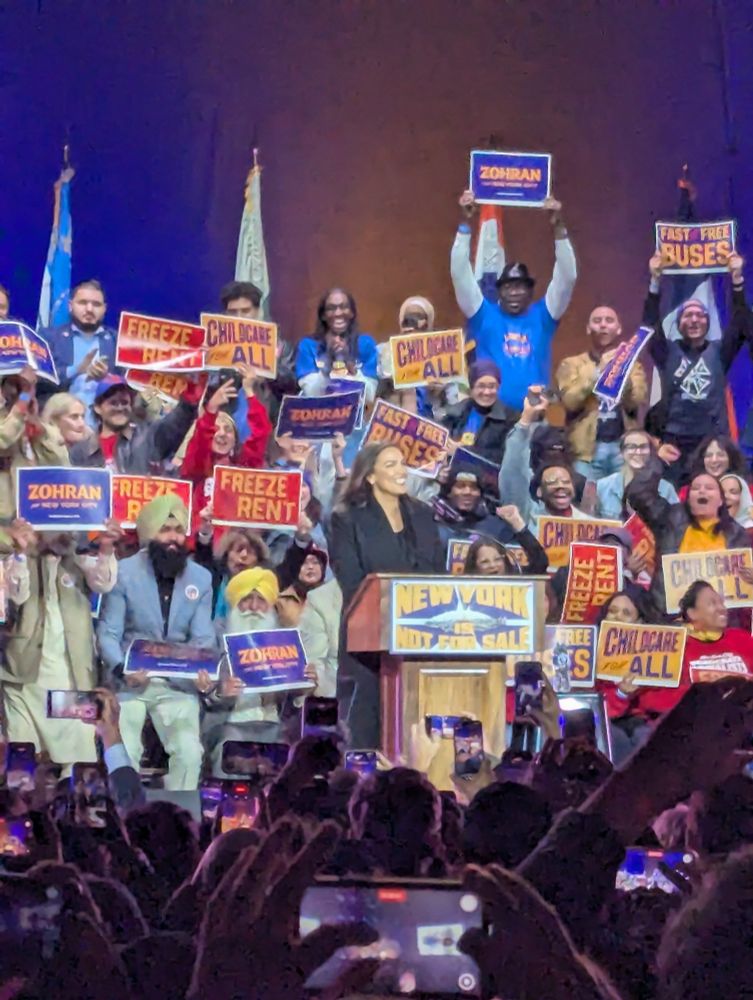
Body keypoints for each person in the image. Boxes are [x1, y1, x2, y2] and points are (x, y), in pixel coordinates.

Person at [330, 442, 444, 745]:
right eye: (390, 464)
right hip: (367, 641)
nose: (401, 471)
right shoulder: (347, 518)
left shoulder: (422, 514)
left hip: (421, 637)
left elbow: (435, 571)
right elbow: (352, 580)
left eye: (401, 463)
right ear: (370, 475)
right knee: (365, 731)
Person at [98, 495, 214, 790]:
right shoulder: (122, 572)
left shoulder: (200, 578)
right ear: (150, 534)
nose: (174, 538)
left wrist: (203, 676)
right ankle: (124, 816)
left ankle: (179, 819)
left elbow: (202, 637)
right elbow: (108, 633)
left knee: (189, 752)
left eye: (178, 530)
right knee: (127, 750)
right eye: (165, 529)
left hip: (177, 683)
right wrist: (122, 670)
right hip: (130, 681)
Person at [1, 517, 119, 770]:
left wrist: (106, 549)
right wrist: (21, 553)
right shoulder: (18, 559)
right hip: (25, 680)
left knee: (75, 766)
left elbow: (104, 582)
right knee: (22, 767)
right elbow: (16, 595)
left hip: (71, 681)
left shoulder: (79, 559)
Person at [451, 190, 577, 409]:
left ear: (530, 292)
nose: (515, 293)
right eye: (508, 287)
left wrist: (558, 227)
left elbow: (568, 277)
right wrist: (465, 223)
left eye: (521, 287)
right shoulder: (483, 314)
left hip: (534, 417)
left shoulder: (544, 316)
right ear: (499, 291)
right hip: (489, 417)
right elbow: (460, 272)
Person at [643, 250, 752, 483]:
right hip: (674, 444)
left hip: (711, 443)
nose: (694, 319)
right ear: (678, 323)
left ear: (708, 322)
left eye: (700, 315)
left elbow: (742, 322)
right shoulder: (667, 351)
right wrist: (655, 281)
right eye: (687, 316)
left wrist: (737, 279)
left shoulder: (720, 352)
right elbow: (649, 327)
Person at [626, 458, 752, 613]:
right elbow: (639, 494)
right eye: (696, 488)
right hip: (670, 619)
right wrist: (657, 461)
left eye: (709, 488)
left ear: (721, 501)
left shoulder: (738, 534)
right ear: (689, 498)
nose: (702, 491)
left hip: (719, 623)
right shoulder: (670, 518)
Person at [556, 305, 648, 480]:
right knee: (586, 504)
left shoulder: (634, 366)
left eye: (609, 320)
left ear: (619, 329)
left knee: (622, 502)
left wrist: (621, 370)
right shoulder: (571, 364)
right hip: (586, 452)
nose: (603, 325)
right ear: (588, 328)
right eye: (597, 321)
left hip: (623, 450)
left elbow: (636, 402)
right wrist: (598, 373)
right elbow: (570, 402)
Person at [180, 366, 272, 534]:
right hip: (200, 544)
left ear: (235, 440)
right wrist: (211, 409)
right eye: (215, 429)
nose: (222, 434)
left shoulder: (245, 466)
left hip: (235, 545)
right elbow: (199, 442)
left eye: (228, 430)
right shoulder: (198, 467)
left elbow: (261, 432)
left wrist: (249, 391)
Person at [70, 373, 202, 474]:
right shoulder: (80, 451)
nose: (120, 407)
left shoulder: (148, 437)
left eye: (124, 402)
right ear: (98, 408)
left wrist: (189, 401)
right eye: (113, 403)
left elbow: (175, 424)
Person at [498, 393, 590, 530]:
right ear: (539, 491)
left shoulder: (588, 525)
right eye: (552, 482)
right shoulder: (527, 516)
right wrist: (525, 420)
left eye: (566, 482)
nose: (561, 486)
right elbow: (514, 471)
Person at [218, 279, 297, 424]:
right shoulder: (215, 345)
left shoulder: (281, 345)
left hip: (269, 419)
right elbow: (209, 386)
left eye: (246, 311)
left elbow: (292, 386)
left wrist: (269, 374)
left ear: (258, 311)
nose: (239, 317)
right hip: (227, 422)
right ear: (225, 313)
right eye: (233, 312)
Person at [0, 366, 70, 521]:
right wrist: (22, 402)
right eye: (14, 384)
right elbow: (3, 439)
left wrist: (38, 428)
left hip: (35, 511)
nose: (19, 391)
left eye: (26, 386)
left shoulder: (37, 422)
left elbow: (60, 464)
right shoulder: (10, 418)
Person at [39, 279, 118, 409]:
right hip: (59, 421)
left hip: (103, 423)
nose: (89, 309)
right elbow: (40, 380)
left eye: (96, 304)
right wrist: (76, 370)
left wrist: (107, 378)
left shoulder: (116, 341)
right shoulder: (49, 338)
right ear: (70, 306)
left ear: (104, 309)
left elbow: (128, 385)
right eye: (83, 303)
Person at [295, 288, 378, 400]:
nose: (338, 313)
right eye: (331, 308)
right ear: (323, 315)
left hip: (356, 415)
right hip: (320, 414)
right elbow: (311, 394)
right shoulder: (308, 346)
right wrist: (328, 363)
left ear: (352, 313)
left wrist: (349, 363)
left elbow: (369, 396)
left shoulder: (366, 344)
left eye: (344, 307)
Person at [441, 359, 518, 463]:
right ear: (472, 388)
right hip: (454, 475)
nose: (487, 392)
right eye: (481, 386)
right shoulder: (454, 414)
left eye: (492, 386)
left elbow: (509, 456)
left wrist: (463, 453)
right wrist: (441, 470)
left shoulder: (510, 419)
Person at [595, 429, 679, 521]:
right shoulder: (602, 486)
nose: (638, 452)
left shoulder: (666, 489)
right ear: (622, 452)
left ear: (651, 453)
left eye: (643, 447)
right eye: (631, 447)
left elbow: (676, 526)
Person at [463, 531, 549, 577]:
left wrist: (520, 529)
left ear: (504, 560)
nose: (492, 565)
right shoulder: (462, 588)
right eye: (485, 562)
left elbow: (540, 562)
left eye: (497, 559)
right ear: (474, 566)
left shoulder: (517, 579)